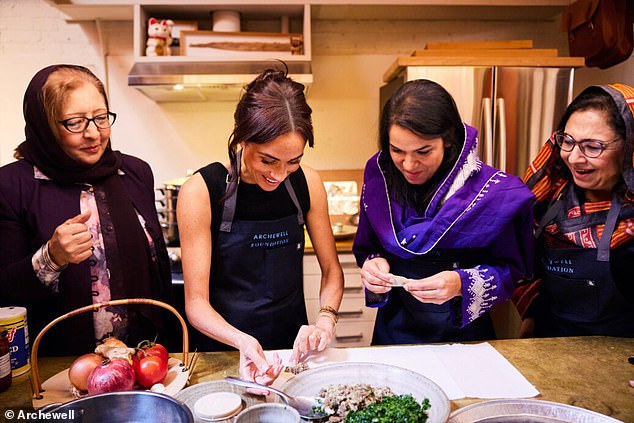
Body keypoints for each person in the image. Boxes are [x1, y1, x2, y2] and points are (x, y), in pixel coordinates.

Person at [177, 67, 344, 386]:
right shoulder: (201, 191)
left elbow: (332, 271)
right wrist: (241, 341)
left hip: (294, 351)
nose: (281, 174)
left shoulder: (307, 182)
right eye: (268, 160)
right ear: (241, 138)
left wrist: (325, 319)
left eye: (293, 160)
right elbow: (195, 303)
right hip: (224, 350)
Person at [0, 65, 174, 356]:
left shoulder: (134, 173)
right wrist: (51, 257)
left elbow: (158, 276)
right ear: (45, 126)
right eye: (75, 123)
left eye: (101, 118)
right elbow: (4, 292)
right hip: (60, 366)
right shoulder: (12, 185)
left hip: (141, 357)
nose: (93, 134)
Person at [353, 79, 535, 345]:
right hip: (394, 334)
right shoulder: (380, 180)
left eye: (423, 151)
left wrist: (461, 283)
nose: (408, 164)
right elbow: (369, 248)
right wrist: (373, 265)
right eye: (397, 150)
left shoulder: (493, 193)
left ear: (448, 140)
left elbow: (512, 271)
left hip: (465, 339)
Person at [514, 84, 634, 337]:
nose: (574, 158)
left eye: (592, 146)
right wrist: (532, 315)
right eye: (567, 142)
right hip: (552, 349)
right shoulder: (549, 196)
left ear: (629, 147)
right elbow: (523, 265)